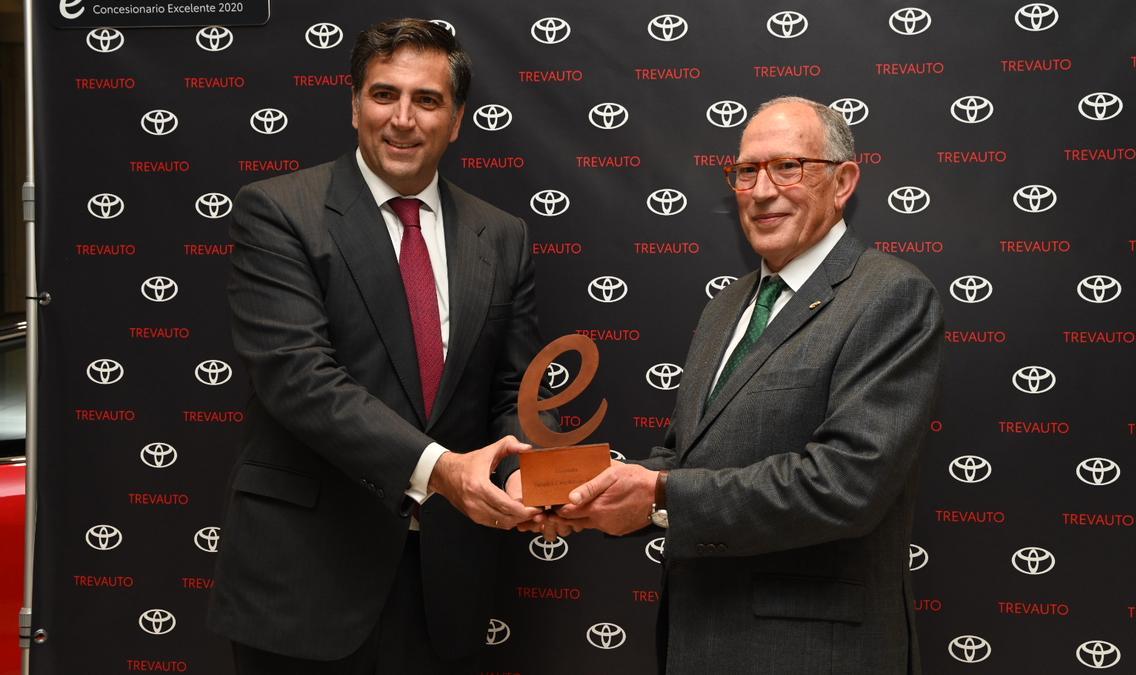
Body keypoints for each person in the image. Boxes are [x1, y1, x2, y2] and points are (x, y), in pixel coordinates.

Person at [539, 97, 943, 673]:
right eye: (746, 171)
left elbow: (846, 484)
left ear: (844, 180)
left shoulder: (891, 296)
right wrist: (588, 496)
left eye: (788, 166)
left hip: (814, 654)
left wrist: (658, 494)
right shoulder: (726, 306)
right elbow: (683, 459)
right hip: (697, 641)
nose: (761, 190)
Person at [207, 18, 550, 674]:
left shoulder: (503, 236)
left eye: (427, 100)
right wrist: (445, 470)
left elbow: (515, 393)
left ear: (455, 122)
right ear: (355, 104)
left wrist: (535, 480)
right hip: (306, 583)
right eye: (384, 94)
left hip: (445, 590)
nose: (403, 118)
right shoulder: (279, 211)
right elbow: (299, 380)